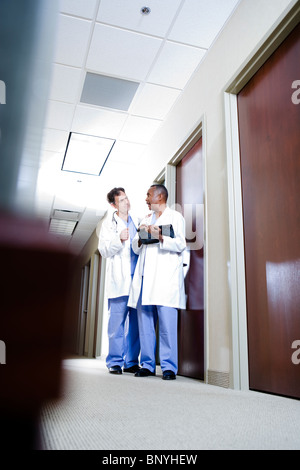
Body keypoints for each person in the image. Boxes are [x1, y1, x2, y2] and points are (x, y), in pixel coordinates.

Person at [128, 184, 186, 380]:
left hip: (165, 279)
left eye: (148, 195)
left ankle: (169, 367)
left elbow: (180, 244)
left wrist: (159, 235)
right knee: (145, 324)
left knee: (167, 325)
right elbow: (136, 249)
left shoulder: (175, 217)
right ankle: (147, 364)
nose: (146, 198)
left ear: (160, 197)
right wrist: (140, 236)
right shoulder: (145, 219)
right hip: (145, 277)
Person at [98, 187, 140, 374]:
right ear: (113, 204)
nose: (127, 202)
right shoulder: (108, 225)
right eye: (122, 200)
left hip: (136, 280)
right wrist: (118, 239)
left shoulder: (138, 221)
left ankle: (131, 361)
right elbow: (104, 250)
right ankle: (114, 361)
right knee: (116, 323)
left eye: (127, 198)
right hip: (119, 281)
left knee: (136, 324)